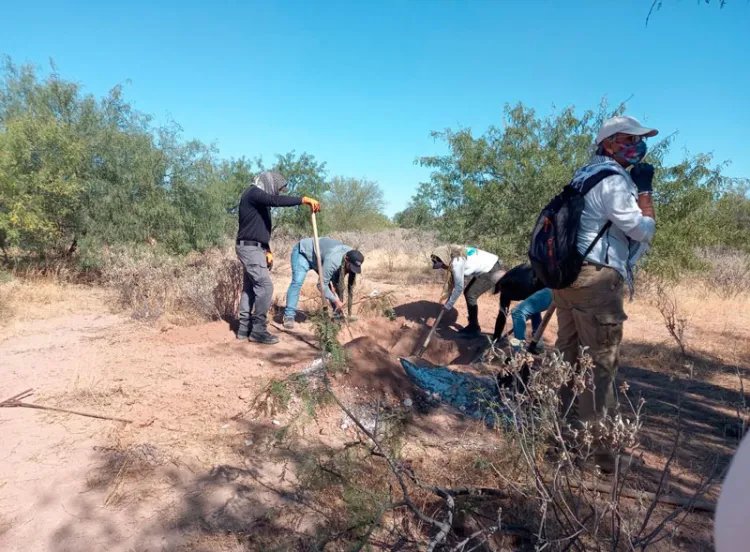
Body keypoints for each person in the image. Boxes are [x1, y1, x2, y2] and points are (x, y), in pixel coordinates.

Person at [555, 115, 657, 471]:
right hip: (596, 281)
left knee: (568, 361)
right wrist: (645, 191)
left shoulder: (582, 175)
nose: (638, 147)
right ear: (610, 143)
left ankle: (564, 442)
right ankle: (602, 458)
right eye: (631, 139)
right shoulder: (614, 181)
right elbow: (642, 229)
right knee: (601, 365)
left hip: (567, 280)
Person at [235, 170, 320, 345]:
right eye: (277, 188)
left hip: (254, 247)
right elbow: (274, 201)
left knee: (250, 288)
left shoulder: (257, 199)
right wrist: (302, 200)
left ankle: (244, 329)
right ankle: (258, 330)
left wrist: (267, 249)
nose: (277, 192)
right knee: (265, 286)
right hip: (250, 248)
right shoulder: (253, 193)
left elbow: (257, 228)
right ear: (269, 182)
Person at [283, 237, 364, 328]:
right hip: (303, 253)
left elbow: (337, 283)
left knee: (335, 284)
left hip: (321, 258)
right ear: (346, 259)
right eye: (350, 267)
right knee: (297, 282)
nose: (351, 270)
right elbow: (321, 285)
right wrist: (336, 300)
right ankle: (289, 316)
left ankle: (338, 315)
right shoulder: (333, 261)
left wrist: (336, 296)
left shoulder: (351, 256)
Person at [430, 245, 504, 337]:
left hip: (492, 269)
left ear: (445, 259)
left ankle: (474, 328)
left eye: (442, 265)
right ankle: (473, 326)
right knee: (469, 293)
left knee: (470, 294)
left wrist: (448, 305)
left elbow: (459, 287)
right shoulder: (453, 253)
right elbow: (456, 279)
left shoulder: (457, 262)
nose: (442, 268)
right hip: (491, 264)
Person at [492, 263, 552, 350]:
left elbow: (502, 314)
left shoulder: (505, 285)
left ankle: (520, 349)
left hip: (547, 288)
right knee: (532, 310)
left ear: (498, 284)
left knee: (519, 313)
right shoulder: (515, 273)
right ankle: (537, 344)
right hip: (551, 283)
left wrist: (496, 338)